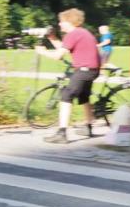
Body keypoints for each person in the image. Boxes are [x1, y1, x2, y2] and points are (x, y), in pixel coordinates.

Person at [34, 8, 100, 143]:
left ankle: (62, 133)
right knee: (84, 96)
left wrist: (42, 52)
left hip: (84, 70)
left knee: (66, 95)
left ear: (69, 21)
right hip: (91, 70)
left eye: (61, 21)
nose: (59, 24)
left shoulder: (74, 34)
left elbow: (58, 55)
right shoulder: (82, 32)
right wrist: (52, 38)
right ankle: (88, 127)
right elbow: (64, 47)